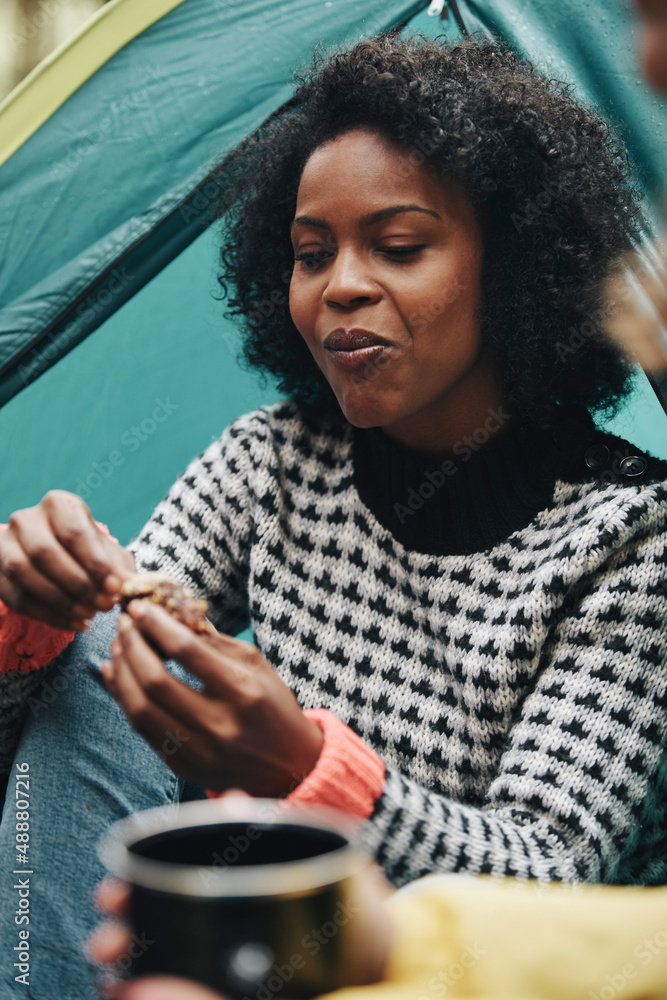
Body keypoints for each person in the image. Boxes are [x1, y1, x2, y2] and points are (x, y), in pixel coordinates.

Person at [1, 29, 667, 1000]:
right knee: (104, 640)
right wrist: (33, 616)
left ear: (520, 269)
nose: (339, 286)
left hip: (452, 976)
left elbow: (549, 874)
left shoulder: (632, 540)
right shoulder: (272, 461)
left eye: (397, 246)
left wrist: (307, 765)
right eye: (312, 254)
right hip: (273, 947)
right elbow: (98, 681)